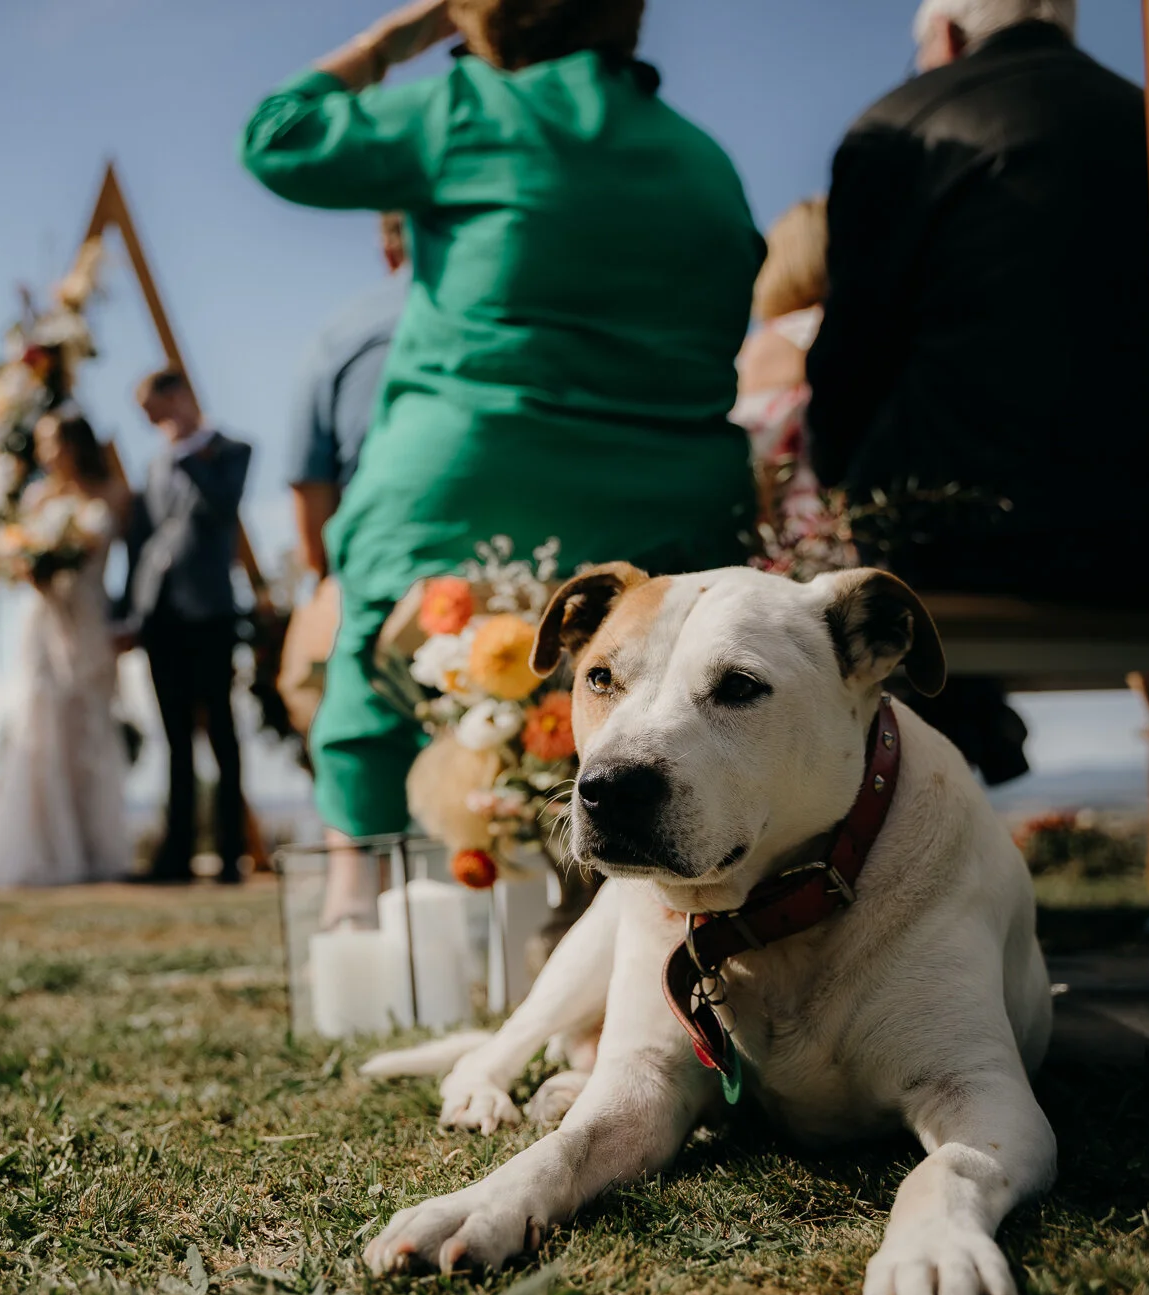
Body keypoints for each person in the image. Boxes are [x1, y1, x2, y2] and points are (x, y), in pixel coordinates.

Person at [241, 0, 763, 923]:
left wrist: (394, 39)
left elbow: (278, 136)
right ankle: (617, 909)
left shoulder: (469, 112)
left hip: (461, 486)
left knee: (372, 640)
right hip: (672, 507)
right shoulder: (705, 161)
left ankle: (359, 901)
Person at [807, 0, 1149, 785]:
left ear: (947, 38)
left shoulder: (905, 123)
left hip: (973, 543)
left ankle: (950, 775)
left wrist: (842, 500)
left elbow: (850, 364)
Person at [0, 411, 135, 886]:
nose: (43, 452)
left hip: (92, 619)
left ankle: (99, 848)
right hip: (44, 621)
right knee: (43, 725)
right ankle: (48, 848)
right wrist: (28, 566)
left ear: (73, 443)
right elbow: (16, 557)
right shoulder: (37, 498)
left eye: (50, 441)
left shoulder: (115, 493)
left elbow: (135, 559)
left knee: (91, 728)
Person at [120, 368, 254, 885]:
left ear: (179, 398)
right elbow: (141, 543)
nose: (153, 424)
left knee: (221, 732)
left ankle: (230, 856)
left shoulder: (232, 450)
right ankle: (175, 857)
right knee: (173, 738)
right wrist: (128, 612)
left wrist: (189, 453)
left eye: (155, 411)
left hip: (212, 612)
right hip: (161, 614)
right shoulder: (154, 463)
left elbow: (223, 507)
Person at [289, 212, 410, 580]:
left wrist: (324, 577)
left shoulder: (341, 333)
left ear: (388, 252)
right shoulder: (535, 310)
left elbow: (312, 500)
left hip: (387, 573)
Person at [733, 197, 838, 566]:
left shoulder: (771, 346)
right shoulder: (876, 338)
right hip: (861, 536)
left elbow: (748, 455)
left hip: (789, 552)